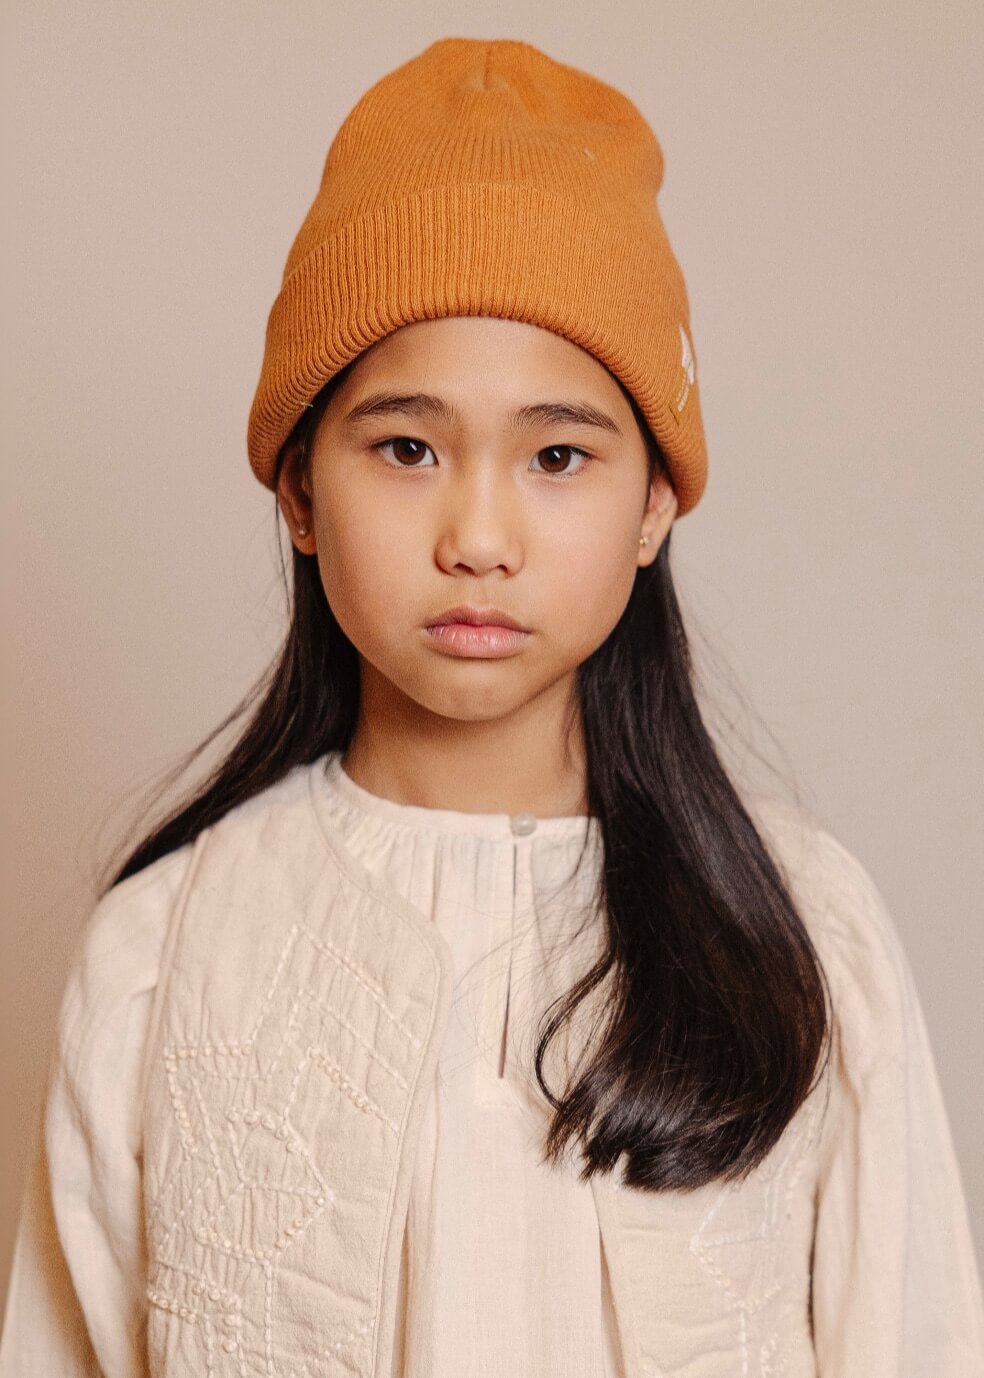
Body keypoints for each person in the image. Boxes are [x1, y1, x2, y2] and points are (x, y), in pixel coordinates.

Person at [1, 34, 982, 1378]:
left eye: (559, 455)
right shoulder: (163, 959)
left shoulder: (803, 934)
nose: (478, 536)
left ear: (655, 502)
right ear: (299, 488)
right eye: (407, 447)